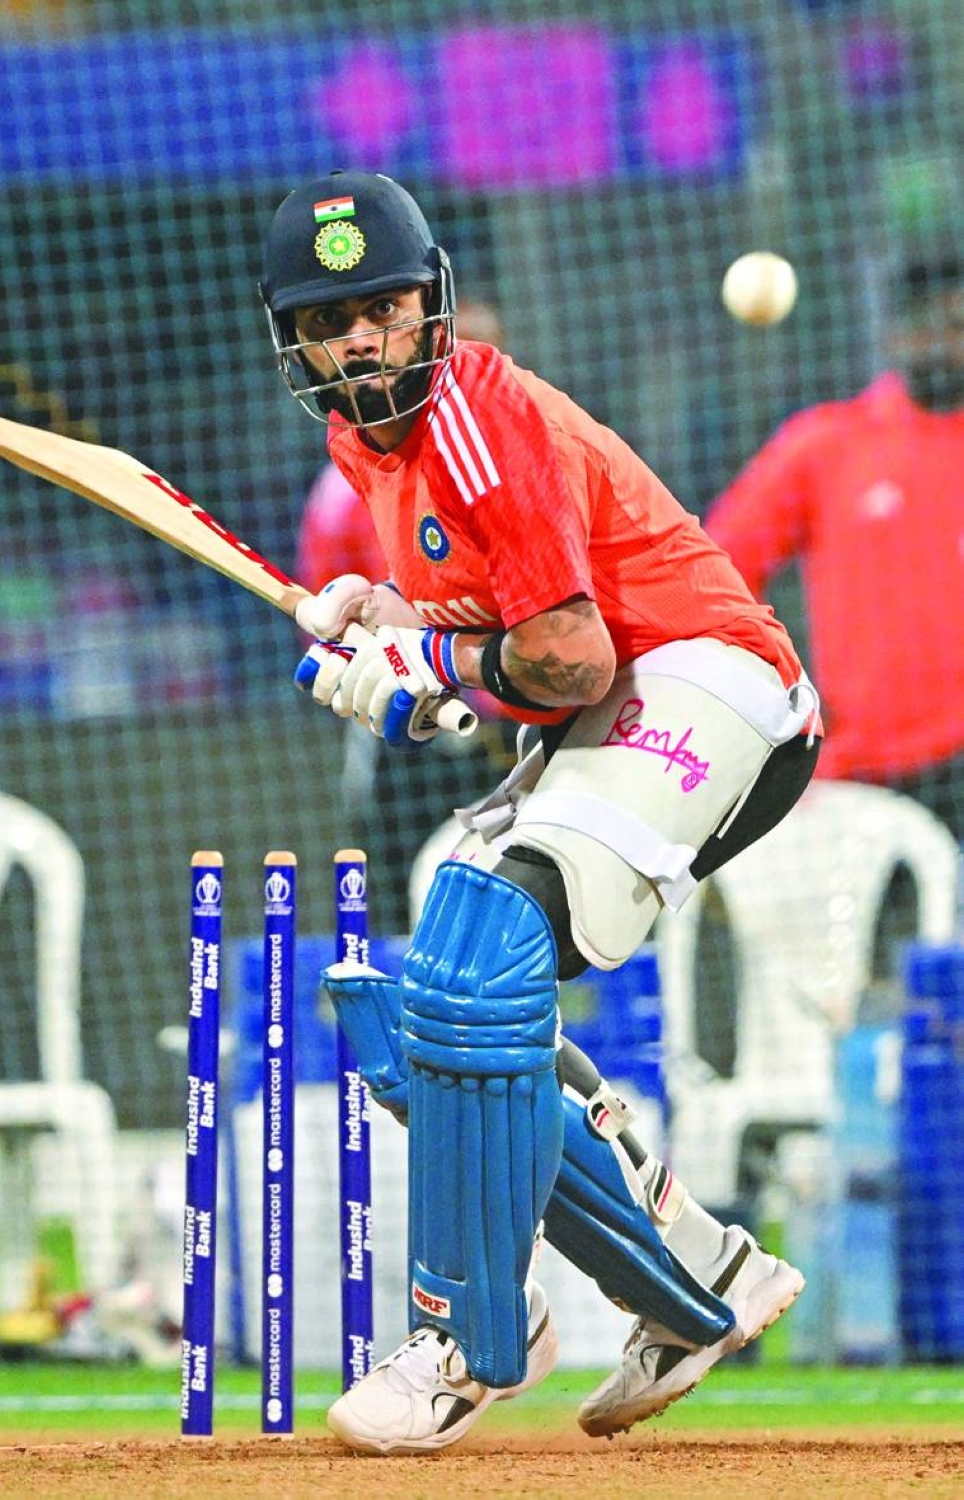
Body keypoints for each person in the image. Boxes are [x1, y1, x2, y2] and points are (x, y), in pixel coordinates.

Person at [258, 169, 821, 1456]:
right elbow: (500, 622)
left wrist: (427, 663)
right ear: (295, 341)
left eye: (385, 307)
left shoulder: (470, 416)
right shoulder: (365, 445)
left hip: (710, 678)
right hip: (619, 698)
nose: (364, 339)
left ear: (430, 305)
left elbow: (564, 657)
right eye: (332, 320)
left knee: (483, 938)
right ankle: (698, 1273)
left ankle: (469, 1335)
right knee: (443, 1005)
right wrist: (390, 625)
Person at [705, 242, 963, 840]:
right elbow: (716, 572)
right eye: (927, 322)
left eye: (955, 324)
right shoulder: (826, 445)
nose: (941, 341)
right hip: (864, 778)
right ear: (898, 335)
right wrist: (777, 701)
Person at [295, 299, 516, 935]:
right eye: (459, 348)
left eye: (487, 351)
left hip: (509, 718)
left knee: (509, 890)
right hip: (402, 720)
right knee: (398, 891)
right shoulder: (347, 482)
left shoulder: (521, 460)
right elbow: (318, 603)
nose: (471, 365)